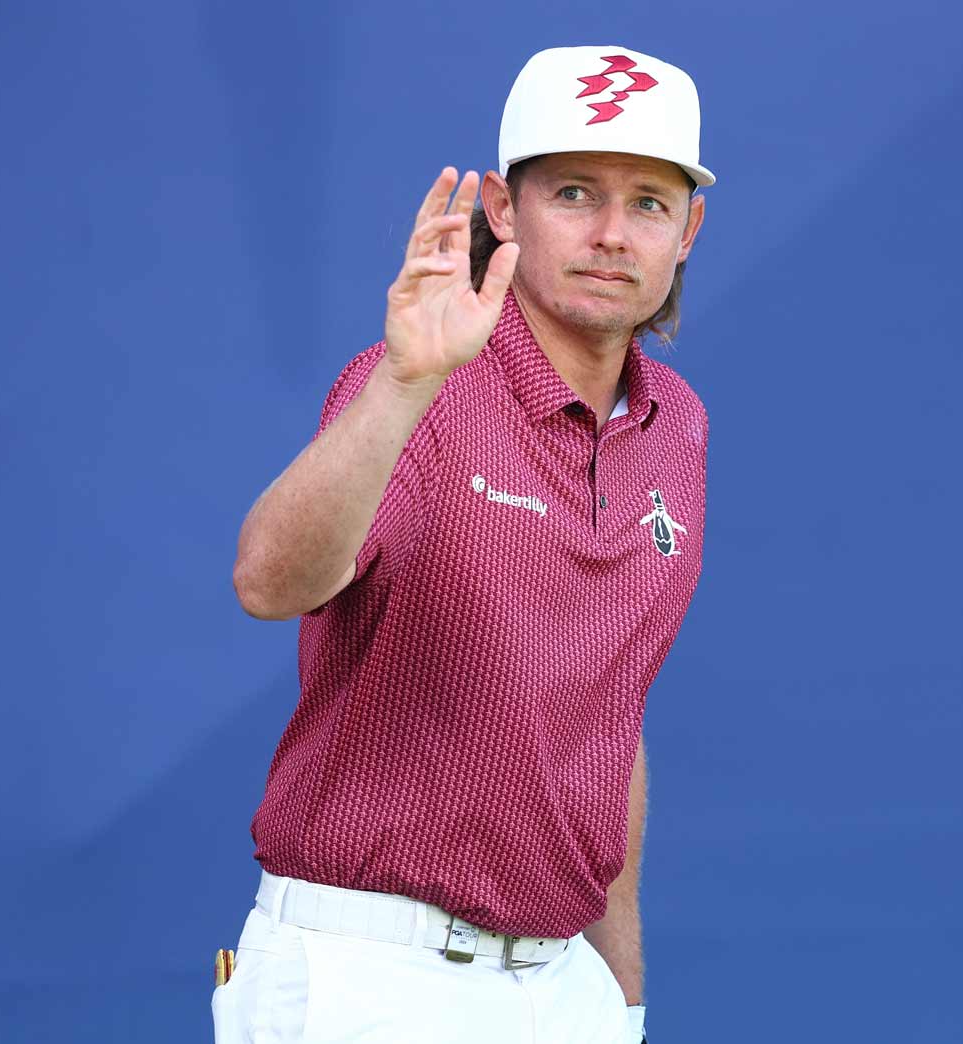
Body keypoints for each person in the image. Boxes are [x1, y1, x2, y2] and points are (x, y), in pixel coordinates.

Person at [217, 44, 713, 1043]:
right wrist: (404, 384)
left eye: (648, 204)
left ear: (688, 230)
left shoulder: (679, 427)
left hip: (560, 987)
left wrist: (618, 998)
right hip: (367, 974)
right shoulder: (418, 382)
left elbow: (607, 715)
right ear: (500, 208)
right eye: (574, 193)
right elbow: (269, 583)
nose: (612, 234)